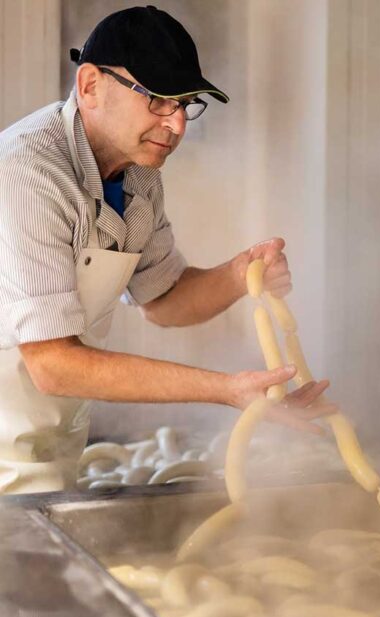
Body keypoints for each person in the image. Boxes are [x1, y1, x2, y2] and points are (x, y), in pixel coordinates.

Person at [0, 5, 332, 494]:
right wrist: (226, 389)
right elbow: (53, 364)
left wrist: (239, 275)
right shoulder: (28, 174)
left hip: (48, 442)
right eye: (157, 99)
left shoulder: (140, 178)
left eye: (185, 104)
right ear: (90, 85)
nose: (177, 125)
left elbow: (163, 300)